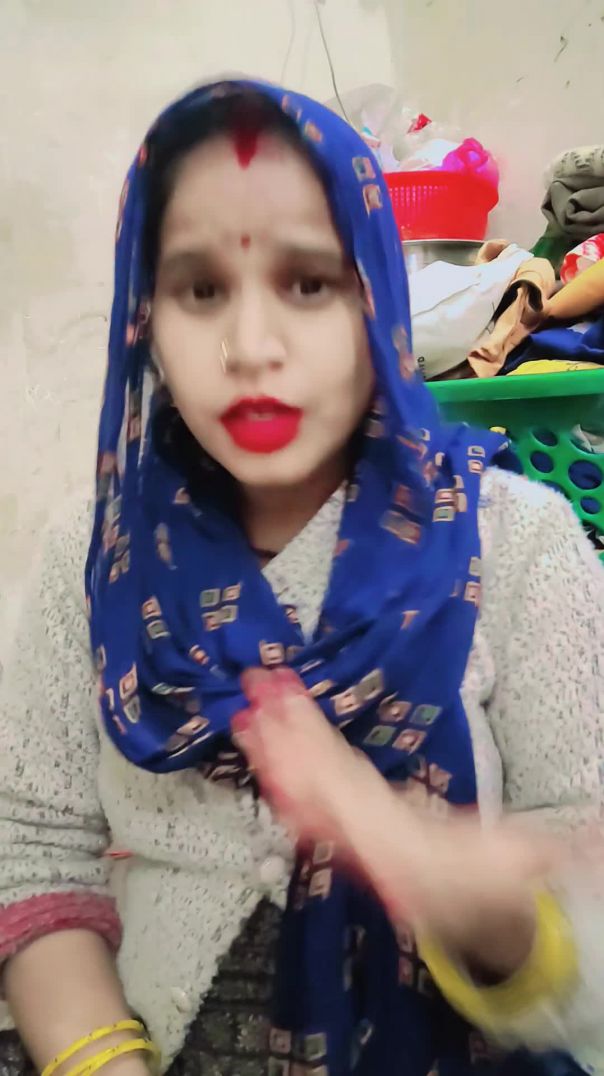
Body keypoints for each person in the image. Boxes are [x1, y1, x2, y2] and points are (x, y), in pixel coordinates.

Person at [0, 78, 603, 1076]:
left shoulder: (519, 542)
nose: (250, 347)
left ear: (376, 297)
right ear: (146, 317)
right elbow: (30, 849)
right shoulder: (95, 552)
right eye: (200, 290)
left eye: (309, 283)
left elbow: (586, 932)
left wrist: (412, 854)